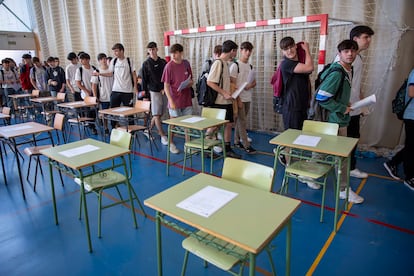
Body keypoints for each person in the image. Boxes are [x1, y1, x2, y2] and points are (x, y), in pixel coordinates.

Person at [316, 39, 364, 204]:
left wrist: (344, 104)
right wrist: (341, 108)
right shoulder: (338, 72)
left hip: (332, 120)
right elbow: (321, 96)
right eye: (346, 51)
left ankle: (310, 177)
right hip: (335, 121)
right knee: (343, 157)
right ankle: (343, 190)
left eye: (352, 51)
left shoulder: (347, 70)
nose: (350, 54)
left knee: (320, 150)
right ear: (339, 54)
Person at [334, 25, 375, 179]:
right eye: (366, 37)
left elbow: (355, 84)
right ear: (355, 38)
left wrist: (362, 103)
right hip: (344, 109)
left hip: (354, 107)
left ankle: (350, 168)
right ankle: (341, 174)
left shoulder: (358, 58)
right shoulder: (343, 59)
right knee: (341, 142)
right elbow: (334, 86)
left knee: (353, 138)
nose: (369, 40)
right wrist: (341, 105)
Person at [207, 40, 241, 159]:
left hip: (226, 100)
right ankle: (204, 145)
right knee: (216, 126)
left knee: (229, 124)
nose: (236, 54)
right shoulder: (218, 63)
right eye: (236, 51)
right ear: (232, 51)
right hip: (219, 101)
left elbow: (223, 82)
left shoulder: (226, 63)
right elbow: (210, 82)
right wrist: (224, 93)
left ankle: (227, 148)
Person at [161, 43, 194, 154]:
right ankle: (171, 143)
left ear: (181, 53)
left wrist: (189, 84)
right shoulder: (169, 66)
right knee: (173, 123)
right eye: (172, 53)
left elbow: (191, 80)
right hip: (174, 99)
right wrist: (170, 100)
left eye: (175, 53)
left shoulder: (186, 64)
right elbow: (166, 86)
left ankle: (188, 145)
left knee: (187, 124)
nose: (173, 55)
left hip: (186, 98)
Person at [384, 69, 414, 190]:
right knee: (412, 147)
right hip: (411, 116)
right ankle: (410, 177)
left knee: (411, 146)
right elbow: (411, 92)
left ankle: (393, 162)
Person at [279, 36, 314, 130]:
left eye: (291, 47)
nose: (289, 50)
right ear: (282, 52)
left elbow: (308, 69)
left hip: (302, 105)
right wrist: (307, 50)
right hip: (292, 107)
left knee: (300, 136)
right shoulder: (286, 64)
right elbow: (310, 67)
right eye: (286, 49)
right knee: (292, 137)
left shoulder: (299, 62)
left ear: (295, 47)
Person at [229, 41, 257, 154]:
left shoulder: (250, 66)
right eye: (245, 50)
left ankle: (236, 141)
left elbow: (254, 82)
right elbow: (232, 85)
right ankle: (246, 145)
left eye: (250, 51)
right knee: (242, 122)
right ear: (241, 51)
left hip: (247, 97)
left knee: (240, 121)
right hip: (238, 98)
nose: (248, 53)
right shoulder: (235, 66)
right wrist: (238, 99)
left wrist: (250, 85)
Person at [141, 41, 168, 146]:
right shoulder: (146, 64)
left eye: (153, 49)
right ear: (148, 51)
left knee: (159, 113)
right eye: (150, 50)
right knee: (156, 114)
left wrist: (165, 88)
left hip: (164, 90)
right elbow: (144, 81)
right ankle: (162, 135)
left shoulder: (163, 62)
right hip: (153, 91)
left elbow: (166, 76)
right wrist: (145, 96)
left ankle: (148, 130)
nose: (152, 51)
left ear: (157, 49)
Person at [92, 53, 113, 133]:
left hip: (113, 95)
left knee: (114, 113)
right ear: (99, 61)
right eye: (101, 59)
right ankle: (106, 128)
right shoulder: (96, 71)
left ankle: (115, 126)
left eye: (105, 58)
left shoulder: (111, 70)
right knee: (105, 113)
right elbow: (94, 85)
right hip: (103, 96)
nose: (104, 60)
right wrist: (95, 96)